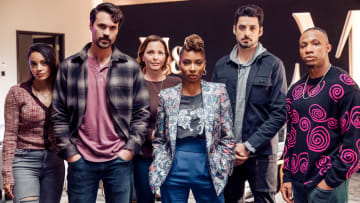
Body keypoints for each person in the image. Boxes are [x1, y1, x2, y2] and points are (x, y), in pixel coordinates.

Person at [51, 3, 150, 203]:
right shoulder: (69, 67)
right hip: (81, 160)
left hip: (119, 161)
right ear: (91, 25)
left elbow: (142, 113)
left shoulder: (130, 67)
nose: (106, 32)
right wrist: (71, 154)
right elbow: (58, 114)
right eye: (102, 26)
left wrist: (129, 150)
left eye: (112, 28)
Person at [212, 4, 288, 203]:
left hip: (262, 155)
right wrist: (226, 146)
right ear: (234, 29)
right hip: (228, 154)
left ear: (260, 31)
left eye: (252, 28)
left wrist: (248, 146)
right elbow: (214, 110)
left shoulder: (274, 65)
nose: (247, 33)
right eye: (242, 27)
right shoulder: (221, 66)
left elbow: (280, 113)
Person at [149, 34, 235, 203]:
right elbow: (159, 138)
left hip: (209, 167)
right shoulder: (167, 96)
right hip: (174, 169)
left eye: (198, 62)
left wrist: (222, 164)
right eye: (187, 62)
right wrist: (160, 160)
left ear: (204, 65)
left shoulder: (218, 93)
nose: (192, 68)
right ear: (179, 64)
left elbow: (228, 136)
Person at [280, 27, 360, 203]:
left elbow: (355, 141)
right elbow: (291, 137)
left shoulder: (345, 86)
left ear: (328, 48)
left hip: (328, 184)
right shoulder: (296, 90)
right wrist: (287, 176)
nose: (308, 49)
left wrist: (328, 184)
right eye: (303, 45)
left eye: (315, 44)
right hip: (298, 184)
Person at [2, 43, 65, 203]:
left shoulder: (62, 92)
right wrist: (7, 173)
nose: (39, 68)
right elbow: (9, 134)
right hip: (24, 161)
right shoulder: (17, 92)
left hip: (54, 161)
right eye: (34, 64)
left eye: (44, 63)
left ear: (52, 64)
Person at [134, 35, 181, 203]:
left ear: (166, 57)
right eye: (150, 52)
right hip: (144, 155)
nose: (155, 57)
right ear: (142, 56)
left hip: (172, 156)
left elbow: (185, 117)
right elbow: (127, 121)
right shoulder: (135, 84)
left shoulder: (176, 83)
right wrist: (150, 134)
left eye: (160, 53)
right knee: (145, 200)